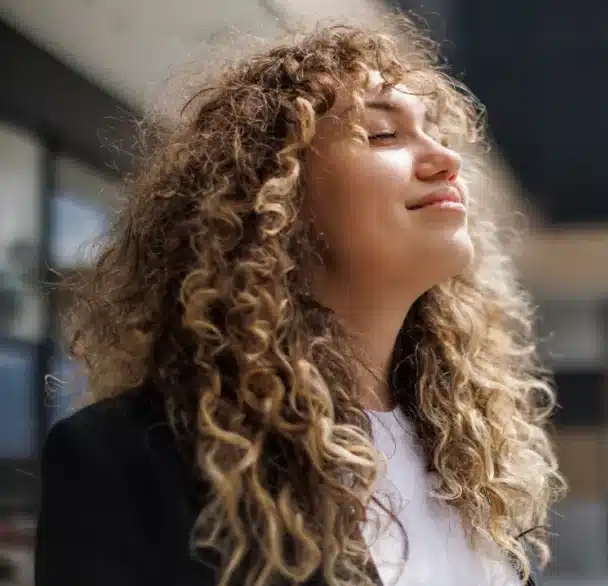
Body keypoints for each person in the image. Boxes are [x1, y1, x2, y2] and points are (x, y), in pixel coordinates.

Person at [35, 18, 563, 586]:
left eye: (435, 131)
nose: (444, 159)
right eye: (383, 135)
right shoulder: (128, 462)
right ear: (276, 200)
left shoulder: (465, 460)